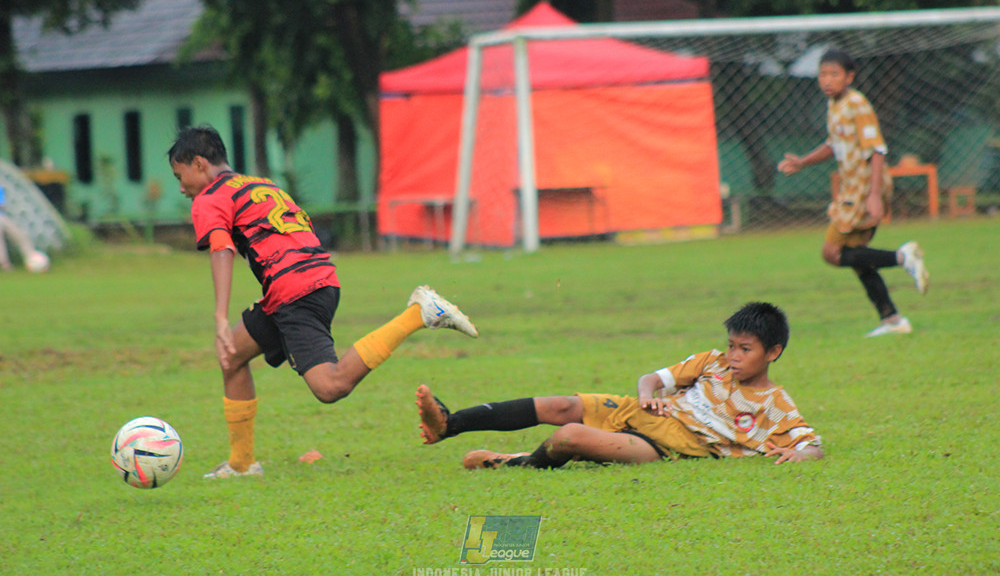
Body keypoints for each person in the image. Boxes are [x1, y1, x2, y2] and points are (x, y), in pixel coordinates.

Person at [168, 126, 478, 479]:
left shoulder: (210, 197)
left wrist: (220, 316)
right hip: (312, 280)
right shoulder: (260, 185)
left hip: (294, 291)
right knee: (232, 356)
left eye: (180, 176)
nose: (181, 188)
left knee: (331, 387)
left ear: (199, 164)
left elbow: (221, 248)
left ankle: (418, 314)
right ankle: (241, 464)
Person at [415, 301, 823, 469]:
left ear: (773, 352)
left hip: (666, 445)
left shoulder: (774, 402)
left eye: (745, 349)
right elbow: (651, 379)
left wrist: (801, 455)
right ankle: (450, 424)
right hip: (639, 412)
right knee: (561, 405)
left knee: (570, 436)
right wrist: (648, 397)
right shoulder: (711, 362)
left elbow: (812, 445)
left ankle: (510, 463)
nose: (734, 355)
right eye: (732, 345)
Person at [777, 48, 929, 338]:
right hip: (853, 187)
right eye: (823, 74)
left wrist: (874, 194)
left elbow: (877, 149)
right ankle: (893, 320)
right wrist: (803, 162)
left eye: (834, 74)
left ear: (849, 77)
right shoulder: (834, 105)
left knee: (831, 252)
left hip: (864, 187)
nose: (827, 80)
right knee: (858, 259)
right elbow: (832, 144)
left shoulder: (857, 104)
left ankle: (903, 257)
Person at [0, 182, 41, 272]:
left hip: (2, 216)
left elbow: (2, 205)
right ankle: (4, 264)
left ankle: (32, 258)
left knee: (20, 235)